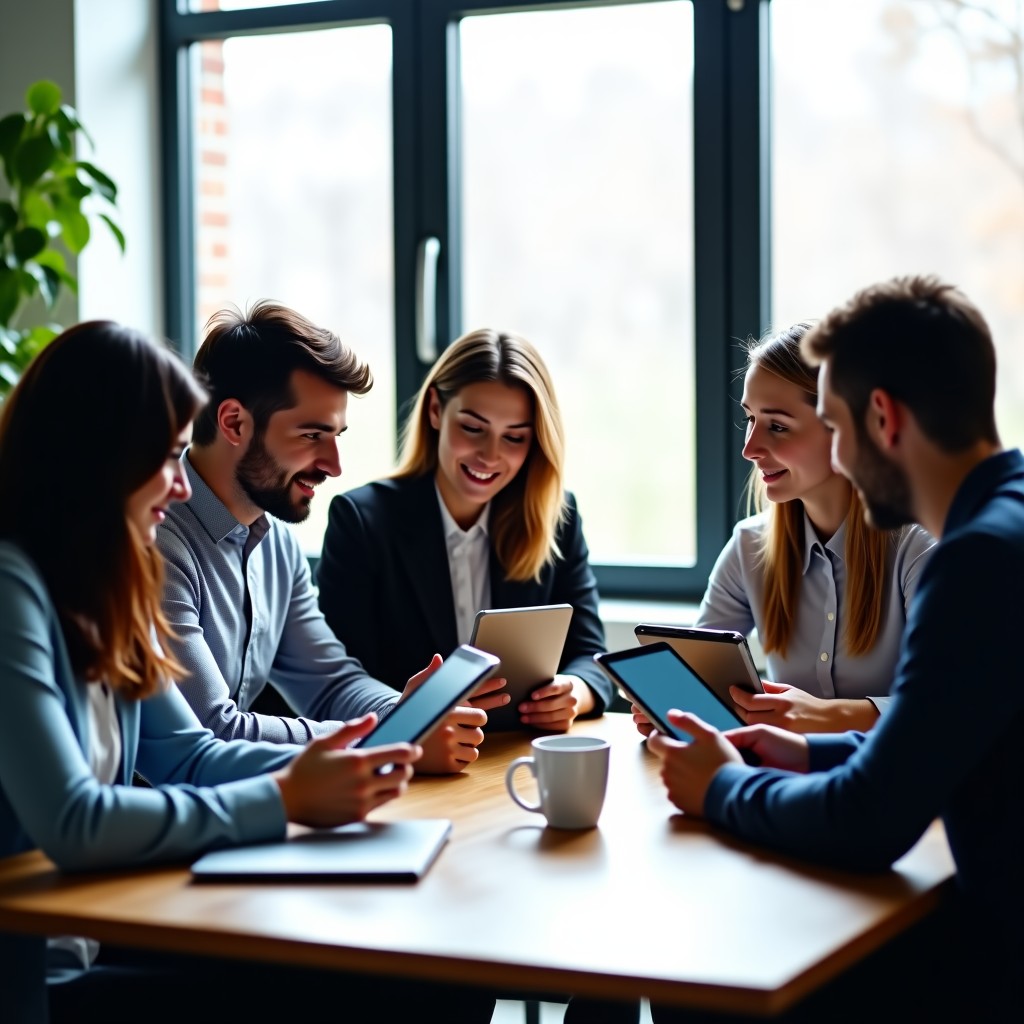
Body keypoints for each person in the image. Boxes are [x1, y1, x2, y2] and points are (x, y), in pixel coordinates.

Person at [0, 321, 493, 1024]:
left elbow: (187, 752)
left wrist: (369, 743)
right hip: (42, 975)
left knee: (439, 972)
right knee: (397, 983)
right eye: (166, 457)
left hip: (103, 926)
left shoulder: (110, 580)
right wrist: (292, 795)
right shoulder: (16, 585)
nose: (176, 487)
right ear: (98, 457)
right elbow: (75, 818)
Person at [647, 275, 1023, 1020]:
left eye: (835, 425)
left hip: (994, 961)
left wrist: (721, 787)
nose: (842, 459)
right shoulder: (1006, 522)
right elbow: (947, 744)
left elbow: (870, 822)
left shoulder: (974, 561)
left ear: (882, 418)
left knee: (706, 983)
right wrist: (809, 753)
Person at [156, 302, 505, 773]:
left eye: (338, 435)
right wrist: (387, 736)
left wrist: (409, 716)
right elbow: (213, 731)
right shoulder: (157, 542)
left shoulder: (276, 542)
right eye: (311, 435)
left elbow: (330, 684)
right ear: (234, 422)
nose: (335, 465)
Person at [636, 324, 934, 736]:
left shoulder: (921, 548)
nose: (749, 448)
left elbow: (953, 704)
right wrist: (674, 704)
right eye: (750, 419)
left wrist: (829, 716)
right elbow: (697, 669)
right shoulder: (750, 546)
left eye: (777, 426)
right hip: (784, 782)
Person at [317, 327, 614, 732]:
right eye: (473, 428)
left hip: (516, 754)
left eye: (514, 437)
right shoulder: (362, 521)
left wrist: (574, 693)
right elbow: (341, 680)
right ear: (436, 409)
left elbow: (590, 654)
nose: (490, 456)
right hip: (411, 758)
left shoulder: (555, 517)